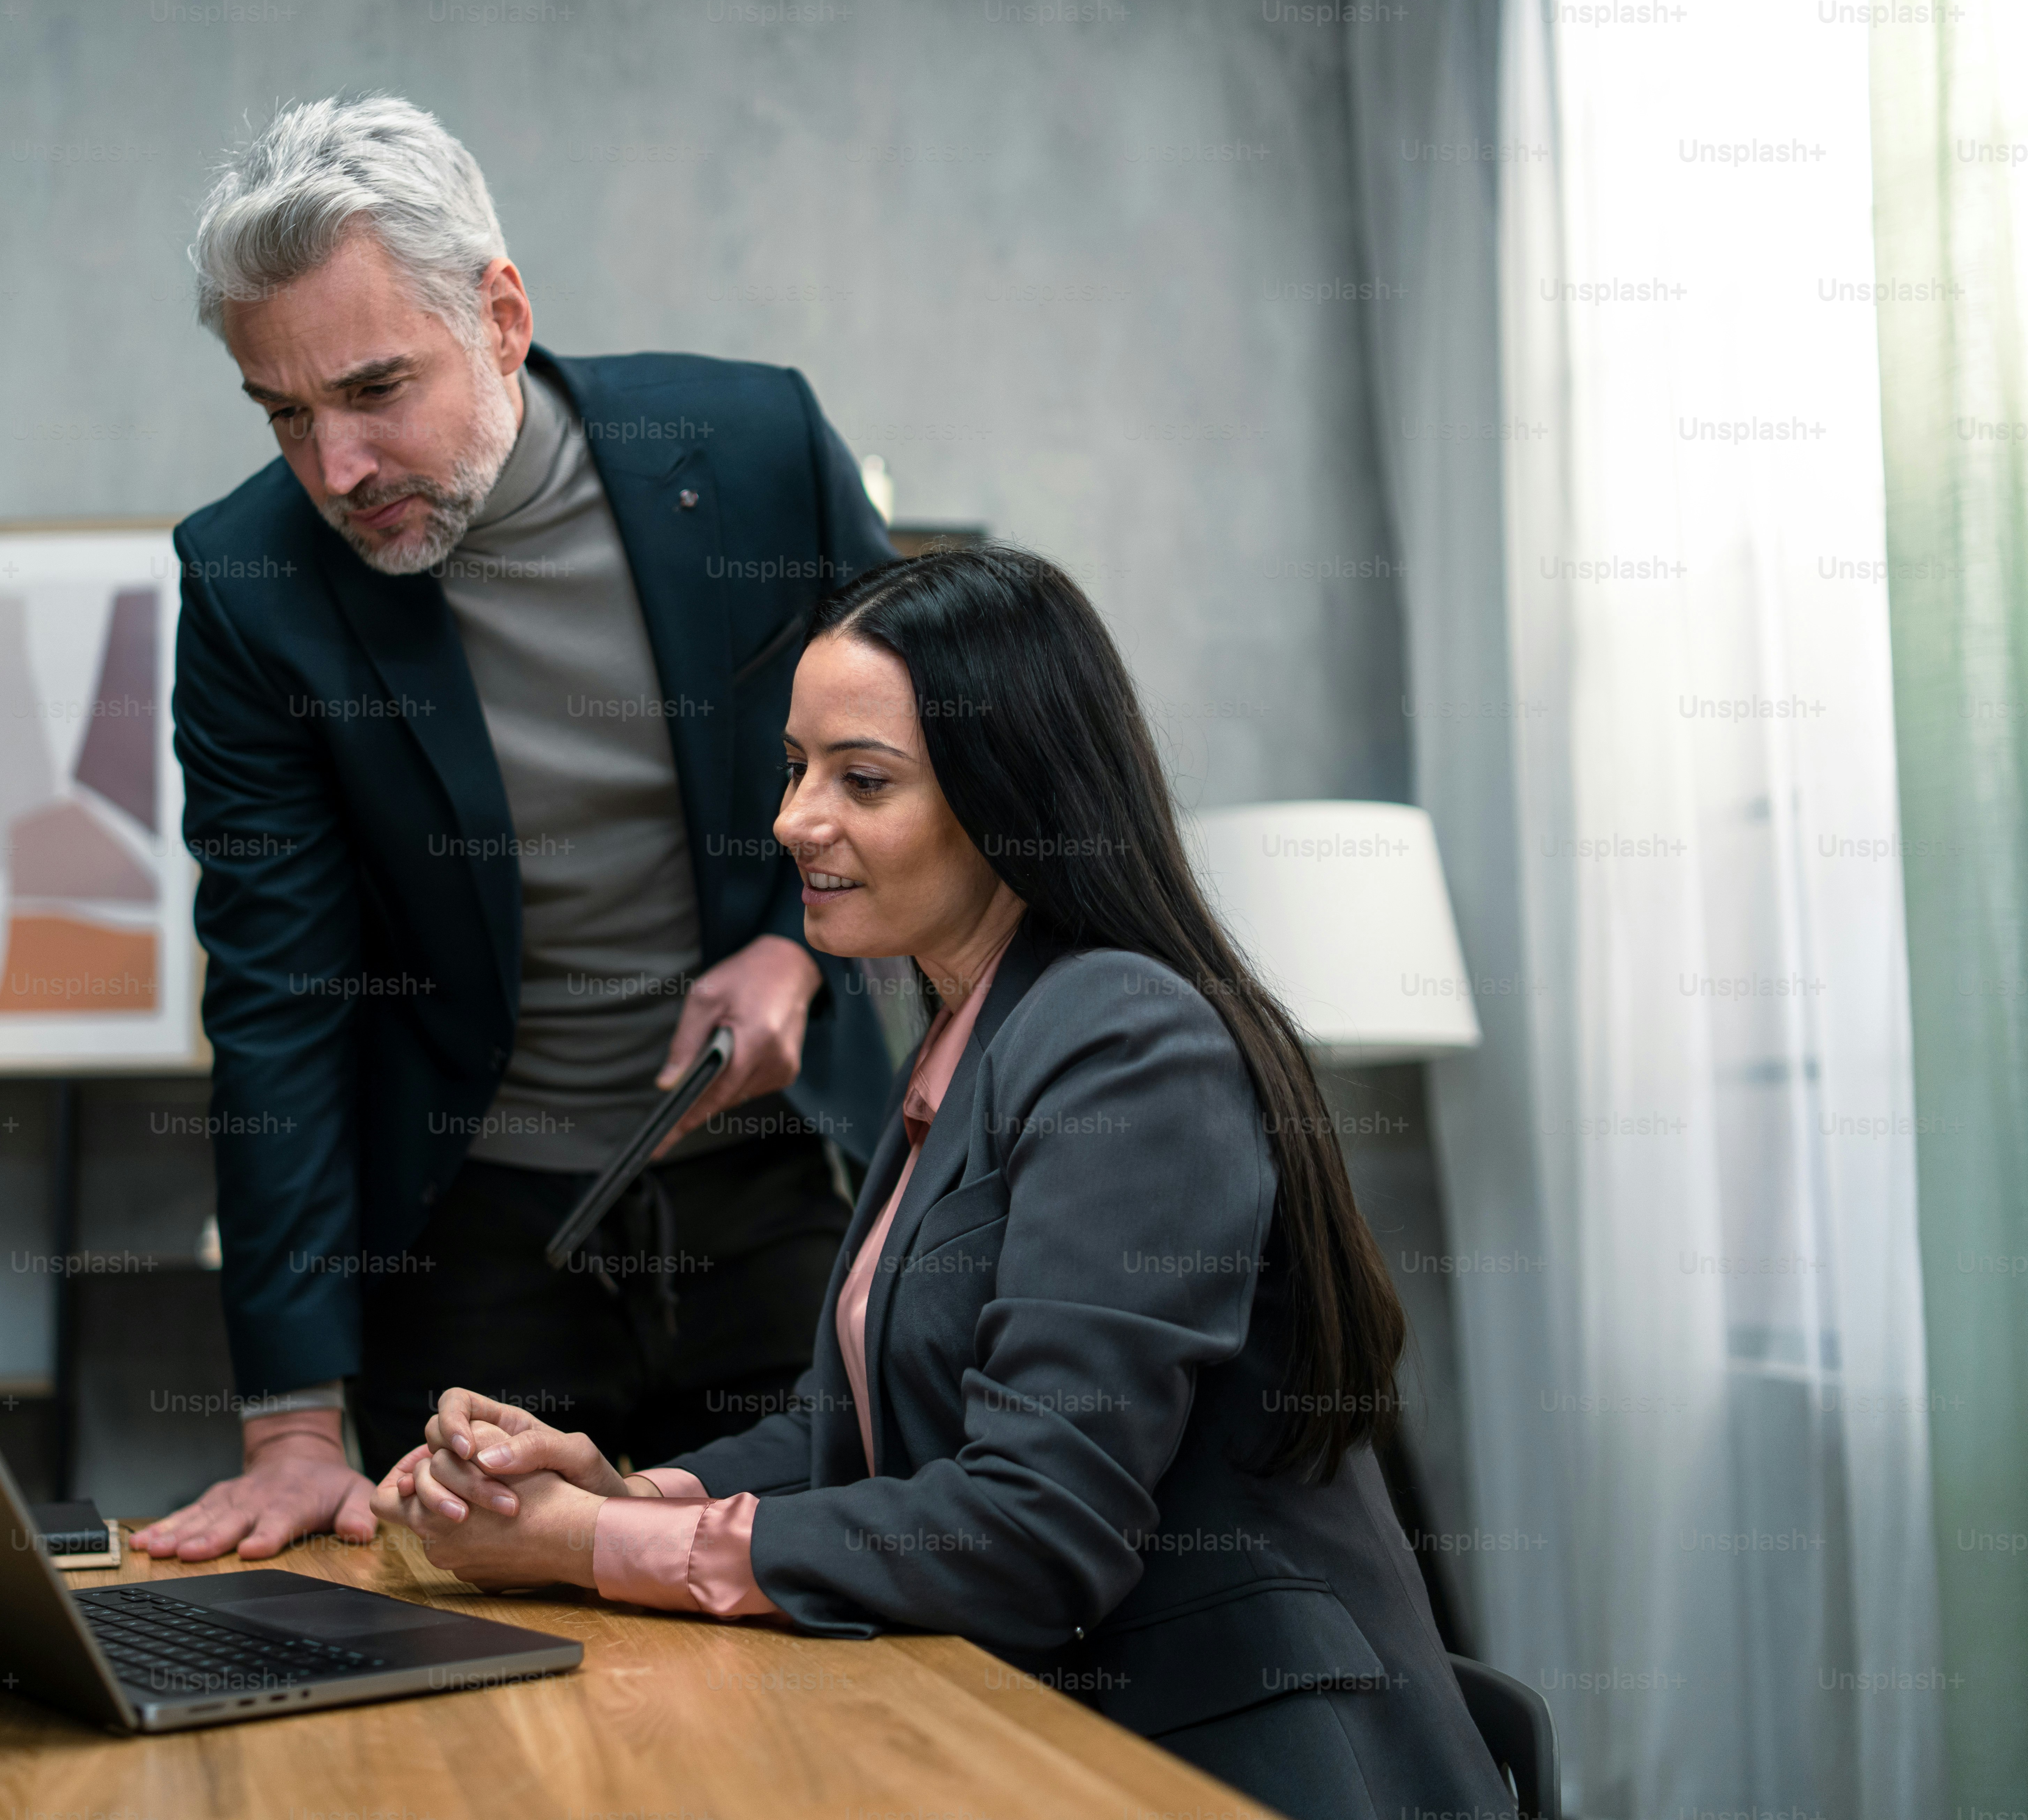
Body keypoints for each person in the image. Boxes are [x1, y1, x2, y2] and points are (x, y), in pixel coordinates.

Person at [372, 546, 1515, 1817]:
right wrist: (624, 1489)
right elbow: (850, 1439)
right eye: (796, 769)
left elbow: (1035, 1533)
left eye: (863, 779)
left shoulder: (1126, 1039)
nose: (796, 820)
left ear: (1010, 798)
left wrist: (596, 1549)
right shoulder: (971, 1040)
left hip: (1239, 1767)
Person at [134, 95, 901, 1563]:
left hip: (774, 1184)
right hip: (469, 1234)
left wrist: (796, 944)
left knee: (821, 1640)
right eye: (284, 414)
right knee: (504, 1694)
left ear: (498, 313)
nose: (335, 468)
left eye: (373, 389)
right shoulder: (248, 584)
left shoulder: (753, 449)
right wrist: (291, 1423)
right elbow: (279, 995)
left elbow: (927, 761)